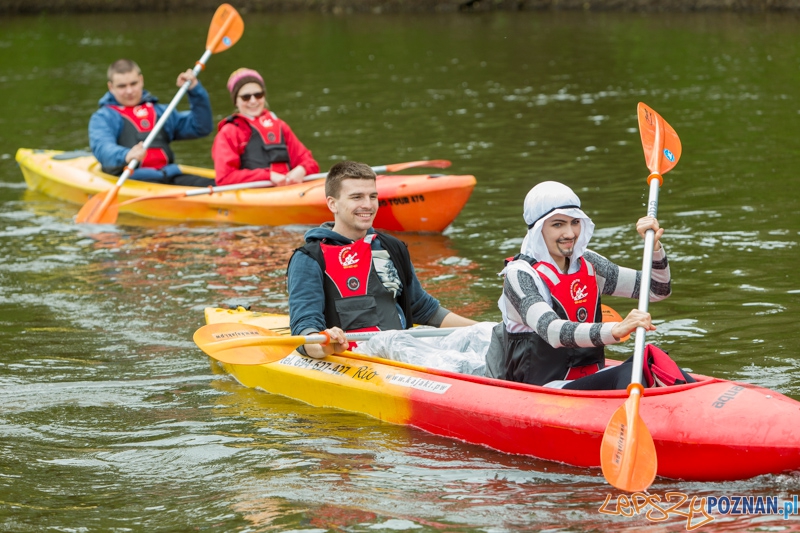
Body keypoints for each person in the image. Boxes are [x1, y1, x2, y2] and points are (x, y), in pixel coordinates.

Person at [484, 180, 693, 390]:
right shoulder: (520, 275)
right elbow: (553, 332)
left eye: (574, 222)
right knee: (631, 372)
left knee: (652, 359)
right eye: (558, 224)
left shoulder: (589, 264)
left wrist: (655, 247)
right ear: (538, 229)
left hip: (586, 382)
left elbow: (657, 289)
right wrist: (616, 329)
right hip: (542, 389)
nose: (570, 233)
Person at [287, 160, 476, 359]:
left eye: (373, 196)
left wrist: (488, 328)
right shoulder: (308, 258)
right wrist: (324, 344)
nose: (367, 205)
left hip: (403, 358)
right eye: (357, 197)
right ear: (332, 203)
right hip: (352, 362)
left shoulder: (391, 247)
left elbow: (424, 309)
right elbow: (304, 331)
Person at [89, 59, 214, 187]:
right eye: (122, 86)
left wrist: (195, 91)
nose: (129, 91)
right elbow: (103, 149)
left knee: (215, 185)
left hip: (168, 175)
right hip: (129, 179)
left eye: (133, 84)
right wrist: (126, 155)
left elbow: (201, 127)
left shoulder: (160, 111)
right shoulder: (104, 117)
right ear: (111, 87)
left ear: (141, 80)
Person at [211, 68, 319, 187]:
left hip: (287, 190)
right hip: (255, 194)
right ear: (236, 101)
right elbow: (225, 178)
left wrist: (302, 169)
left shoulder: (280, 126)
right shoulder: (229, 132)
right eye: (246, 97)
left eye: (258, 95)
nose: (253, 101)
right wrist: (269, 176)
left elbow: (310, 162)